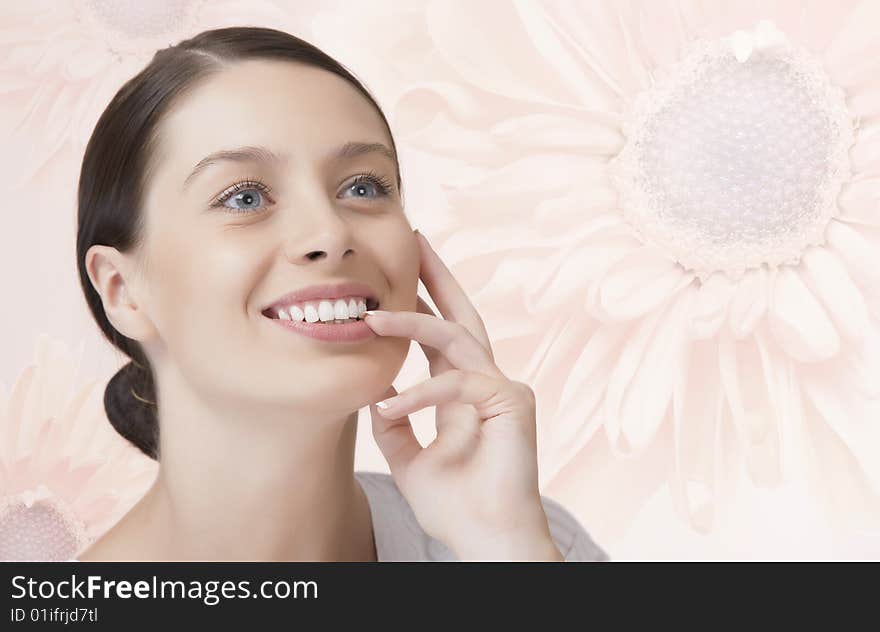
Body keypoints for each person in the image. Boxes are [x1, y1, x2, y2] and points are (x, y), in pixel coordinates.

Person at [74, 26, 608, 562]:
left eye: (363, 187)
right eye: (243, 198)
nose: (330, 235)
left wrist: (502, 546)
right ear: (124, 292)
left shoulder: (529, 542)